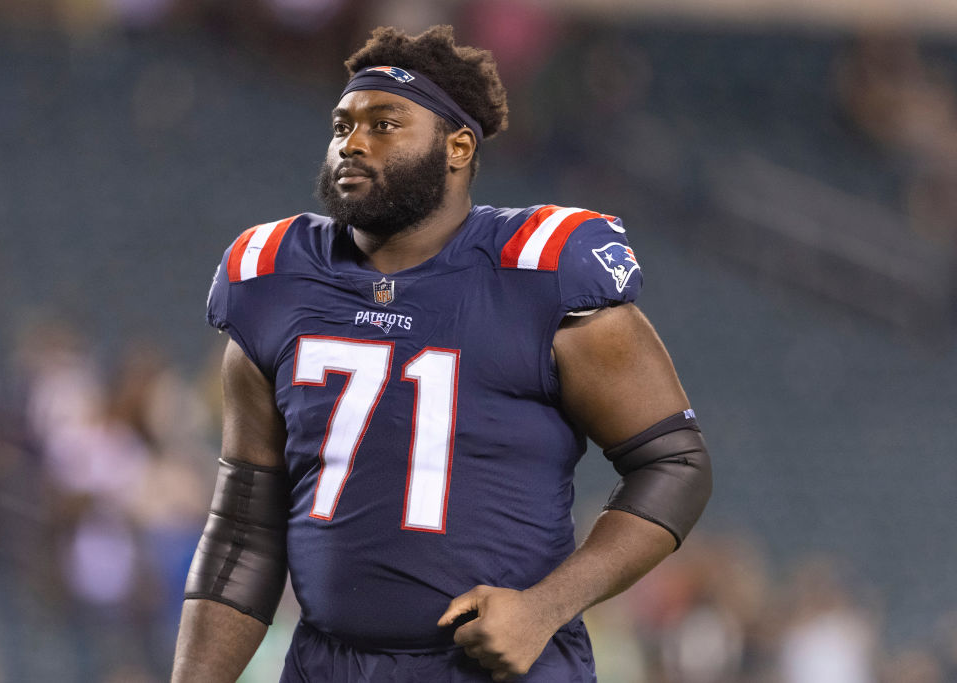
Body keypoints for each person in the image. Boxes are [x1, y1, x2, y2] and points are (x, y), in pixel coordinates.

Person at [171, 25, 711, 683]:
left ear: (457, 147)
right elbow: (244, 526)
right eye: (342, 125)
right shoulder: (275, 279)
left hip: (498, 667)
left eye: (385, 123)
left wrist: (546, 606)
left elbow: (676, 462)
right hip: (329, 664)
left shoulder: (539, 274)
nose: (353, 143)